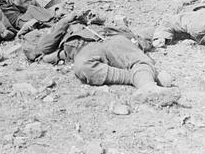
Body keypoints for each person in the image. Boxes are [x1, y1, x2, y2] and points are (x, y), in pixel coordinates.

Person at [23, 10, 180, 106]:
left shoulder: (89, 20)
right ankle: (141, 78)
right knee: (82, 67)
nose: (65, 11)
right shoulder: (56, 30)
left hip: (110, 39)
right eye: (61, 12)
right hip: (85, 49)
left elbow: (123, 28)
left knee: (135, 57)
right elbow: (43, 48)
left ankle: (148, 87)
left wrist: (97, 18)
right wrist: (65, 21)